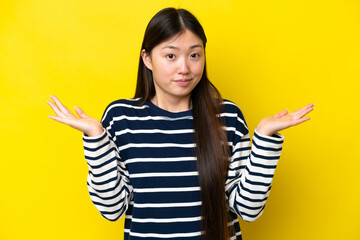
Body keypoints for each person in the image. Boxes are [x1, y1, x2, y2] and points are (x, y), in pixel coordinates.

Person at [47, 7, 314, 240]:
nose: (184, 68)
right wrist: (96, 138)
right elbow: (112, 209)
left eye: (194, 55)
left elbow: (248, 209)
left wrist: (265, 139)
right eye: (171, 56)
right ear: (147, 59)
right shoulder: (121, 118)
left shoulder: (228, 117)